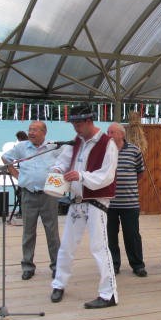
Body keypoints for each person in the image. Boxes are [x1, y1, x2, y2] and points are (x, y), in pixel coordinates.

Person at [50, 105, 119, 309]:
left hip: (97, 201)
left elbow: (107, 175)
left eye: (78, 124)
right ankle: (59, 284)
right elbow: (63, 162)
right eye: (73, 124)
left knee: (99, 247)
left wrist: (81, 176)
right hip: (77, 201)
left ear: (89, 121)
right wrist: (57, 170)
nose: (75, 128)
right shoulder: (76, 142)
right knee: (67, 246)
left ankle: (109, 294)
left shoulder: (108, 143)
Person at [2, 121, 60, 280]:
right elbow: (5, 157)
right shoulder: (22, 147)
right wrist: (17, 175)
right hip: (28, 194)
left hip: (49, 194)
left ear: (44, 132)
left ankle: (57, 266)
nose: (31, 132)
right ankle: (27, 266)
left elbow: (67, 161)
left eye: (35, 130)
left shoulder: (53, 147)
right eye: (30, 129)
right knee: (28, 232)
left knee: (52, 232)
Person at [106, 122, 147, 277]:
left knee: (132, 235)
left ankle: (137, 265)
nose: (109, 135)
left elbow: (140, 172)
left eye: (112, 132)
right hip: (108, 202)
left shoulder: (134, 150)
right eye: (108, 132)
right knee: (110, 235)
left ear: (122, 134)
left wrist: (127, 184)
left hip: (130, 202)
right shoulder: (104, 151)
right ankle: (113, 264)